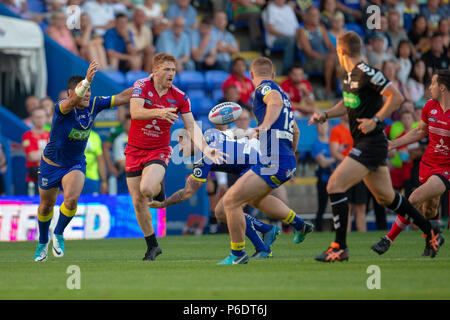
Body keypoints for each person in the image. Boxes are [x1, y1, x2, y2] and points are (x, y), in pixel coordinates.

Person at [309, 31, 443, 262]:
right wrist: (326, 114)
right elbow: (348, 103)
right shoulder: (350, 76)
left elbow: (396, 97)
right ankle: (430, 231)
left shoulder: (368, 72)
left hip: (372, 143)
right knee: (387, 198)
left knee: (335, 184)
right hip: (365, 142)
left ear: (341, 51)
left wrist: (377, 120)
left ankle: (339, 246)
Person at [149, 127, 314, 258]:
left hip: (256, 165)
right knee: (256, 201)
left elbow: (187, 193)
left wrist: (164, 203)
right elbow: (234, 132)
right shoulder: (212, 134)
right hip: (264, 158)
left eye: (181, 142)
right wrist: (249, 135)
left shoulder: (202, 156)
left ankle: (260, 246)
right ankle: (289, 226)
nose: (179, 148)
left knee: (223, 210)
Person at [126, 53, 226, 261]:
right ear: (155, 71)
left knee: (146, 189)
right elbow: (135, 112)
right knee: (137, 201)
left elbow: (191, 126)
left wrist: (206, 149)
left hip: (158, 150)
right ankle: (152, 245)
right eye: (166, 69)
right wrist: (159, 112)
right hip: (134, 149)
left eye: (173, 69)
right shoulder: (141, 86)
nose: (171, 73)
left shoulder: (180, 96)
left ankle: (158, 186)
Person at [33, 61, 133, 262]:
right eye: (84, 90)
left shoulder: (93, 105)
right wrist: (87, 80)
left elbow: (122, 97)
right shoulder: (62, 108)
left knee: (70, 200)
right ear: (71, 92)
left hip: (74, 164)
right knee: (46, 205)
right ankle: (43, 241)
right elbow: (71, 102)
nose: (88, 94)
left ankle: (58, 234)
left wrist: (147, 84)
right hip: (50, 165)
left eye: (89, 90)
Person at [216, 57, 306, 264]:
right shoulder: (285, 97)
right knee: (254, 200)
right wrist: (290, 158)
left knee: (230, 202)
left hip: (273, 159)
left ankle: (238, 254)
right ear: (273, 74)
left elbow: (273, 101)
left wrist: (264, 126)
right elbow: (296, 131)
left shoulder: (265, 88)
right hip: (283, 159)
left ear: (251, 75)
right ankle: (297, 225)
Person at [372, 70, 450, 256]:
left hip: (446, 168)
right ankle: (432, 240)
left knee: (414, 198)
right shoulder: (429, 106)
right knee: (429, 208)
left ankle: (388, 239)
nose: (429, 87)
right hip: (429, 163)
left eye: (432, 83)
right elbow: (419, 131)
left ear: (442, 87)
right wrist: (393, 144)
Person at [329, 114, 368, 232]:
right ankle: (345, 236)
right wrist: (351, 163)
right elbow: (334, 152)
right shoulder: (336, 130)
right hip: (345, 172)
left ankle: (363, 236)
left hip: (359, 171)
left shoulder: (360, 128)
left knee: (361, 206)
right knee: (347, 206)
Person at [297, 6, 338, 99]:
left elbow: (329, 44)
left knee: (337, 61)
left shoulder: (321, 28)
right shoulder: (302, 31)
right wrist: (325, 57)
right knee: (330, 61)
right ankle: (328, 88)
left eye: (317, 15)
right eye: (313, 15)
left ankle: (338, 88)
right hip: (311, 61)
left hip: (325, 59)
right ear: (306, 17)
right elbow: (309, 52)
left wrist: (335, 53)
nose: (316, 18)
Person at [261, 0, 299, 75]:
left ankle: (302, 69)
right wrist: (288, 36)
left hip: (292, 37)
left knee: (304, 39)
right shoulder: (270, 8)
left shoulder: (288, 8)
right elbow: (270, 29)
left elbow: (297, 27)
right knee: (290, 41)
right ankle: (287, 70)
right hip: (275, 39)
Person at [311, 121, 334, 231]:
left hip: (335, 179)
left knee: (337, 206)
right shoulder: (316, 144)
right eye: (320, 125)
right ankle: (318, 229)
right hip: (323, 180)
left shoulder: (333, 142)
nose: (322, 127)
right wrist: (337, 157)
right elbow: (323, 163)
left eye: (324, 124)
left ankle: (337, 230)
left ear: (328, 127)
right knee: (322, 207)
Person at [22, 108, 50, 196]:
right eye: (36, 117)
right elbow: (31, 156)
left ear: (46, 118)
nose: (39, 120)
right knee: (32, 207)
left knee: (50, 206)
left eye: (41, 117)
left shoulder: (52, 135)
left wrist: (39, 153)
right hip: (33, 179)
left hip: (50, 177)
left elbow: (56, 155)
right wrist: (48, 152)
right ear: (32, 119)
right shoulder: (27, 135)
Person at [128, 8, 155, 73]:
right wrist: (144, 50)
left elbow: (149, 48)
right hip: (130, 56)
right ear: (134, 17)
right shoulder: (127, 28)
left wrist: (147, 50)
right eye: (139, 16)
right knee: (137, 60)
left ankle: (148, 80)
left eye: (143, 16)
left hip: (144, 56)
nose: (141, 18)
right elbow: (130, 51)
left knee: (154, 57)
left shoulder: (147, 30)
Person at [81, 130, 108, 195]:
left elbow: (100, 160)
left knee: (92, 204)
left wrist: (104, 181)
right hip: (74, 177)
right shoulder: (71, 134)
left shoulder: (95, 136)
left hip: (92, 178)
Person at [112, 113, 131, 194]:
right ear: (124, 126)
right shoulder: (119, 140)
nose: (130, 126)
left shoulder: (142, 138)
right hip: (126, 176)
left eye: (133, 124)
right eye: (128, 124)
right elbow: (121, 163)